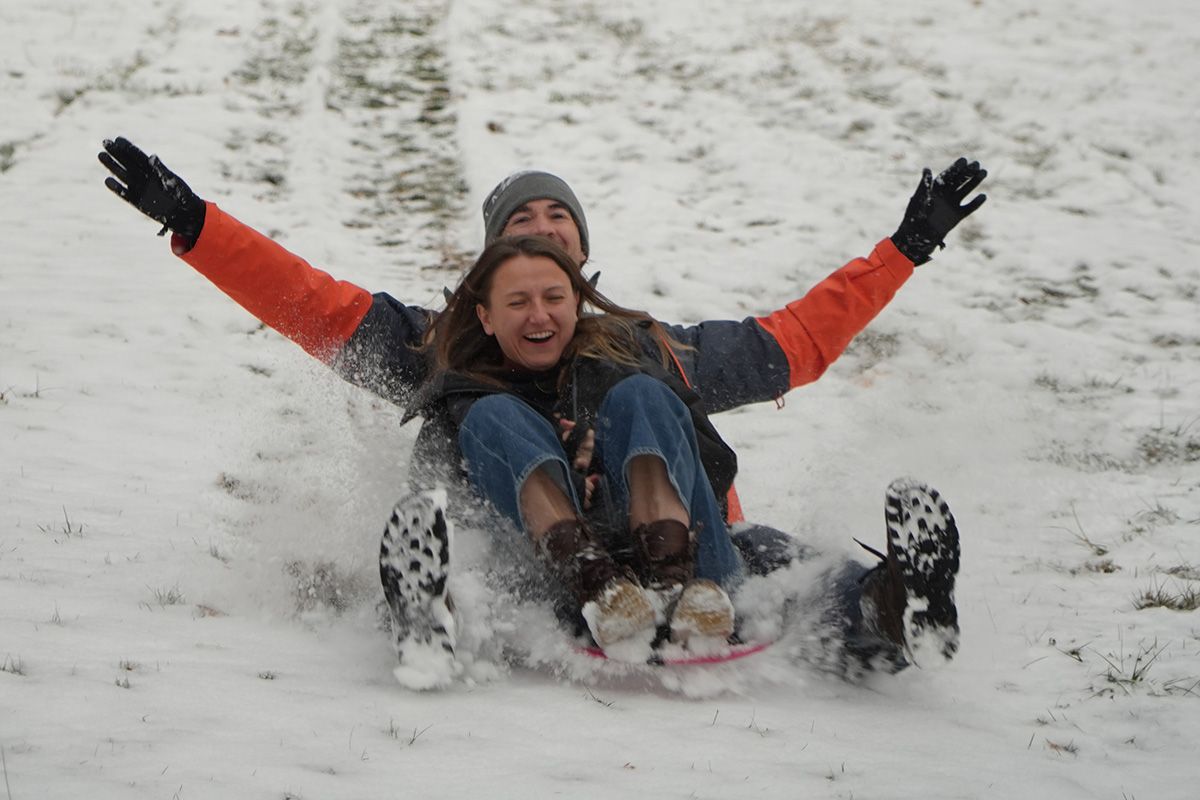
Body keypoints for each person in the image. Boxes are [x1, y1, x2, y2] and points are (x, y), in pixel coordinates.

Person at [98, 137, 984, 670]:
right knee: (484, 457)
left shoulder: (651, 346)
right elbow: (311, 304)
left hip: (694, 572)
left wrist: (904, 248)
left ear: (581, 260)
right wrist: (196, 223)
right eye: (524, 223)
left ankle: (891, 607)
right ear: (490, 276)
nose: (545, 227)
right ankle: (432, 612)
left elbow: (793, 341)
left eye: (561, 219)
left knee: (782, 558)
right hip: (539, 573)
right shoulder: (439, 346)